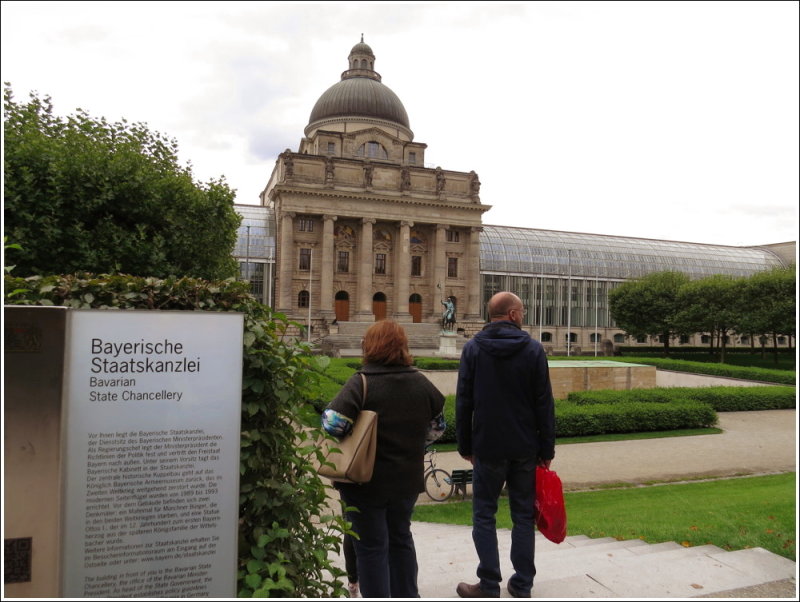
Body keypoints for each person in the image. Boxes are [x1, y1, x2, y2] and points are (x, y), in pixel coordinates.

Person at [322, 320, 446, 598]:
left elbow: (333, 424)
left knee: (371, 547)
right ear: (403, 346)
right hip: (406, 480)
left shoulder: (362, 382)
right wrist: (411, 443)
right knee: (401, 539)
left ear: (370, 346)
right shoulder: (421, 382)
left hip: (365, 482)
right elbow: (437, 429)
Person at [454, 292, 555, 598]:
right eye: (521, 311)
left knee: (484, 515)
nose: (523, 315)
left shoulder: (473, 349)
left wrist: (465, 446)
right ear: (512, 314)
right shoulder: (534, 350)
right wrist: (546, 450)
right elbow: (544, 404)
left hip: (487, 446)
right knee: (522, 516)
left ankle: (488, 584)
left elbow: (463, 402)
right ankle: (522, 583)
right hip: (524, 447)